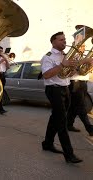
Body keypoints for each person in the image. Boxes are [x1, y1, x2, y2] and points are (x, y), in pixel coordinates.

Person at [40, 31, 82, 164]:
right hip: (54, 90)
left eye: (65, 40)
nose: (64, 42)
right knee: (62, 121)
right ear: (53, 42)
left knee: (55, 117)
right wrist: (63, 65)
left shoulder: (66, 56)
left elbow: (71, 74)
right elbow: (46, 75)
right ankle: (69, 154)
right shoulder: (48, 56)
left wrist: (78, 66)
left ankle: (47, 143)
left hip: (65, 88)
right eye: (61, 40)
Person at [66, 44, 93, 136]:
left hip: (83, 82)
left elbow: (85, 70)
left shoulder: (85, 56)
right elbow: (70, 67)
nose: (83, 48)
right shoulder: (72, 56)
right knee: (81, 106)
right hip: (75, 82)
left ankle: (68, 125)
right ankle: (90, 128)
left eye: (84, 46)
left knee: (74, 106)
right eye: (81, 45)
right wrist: (78, 67)